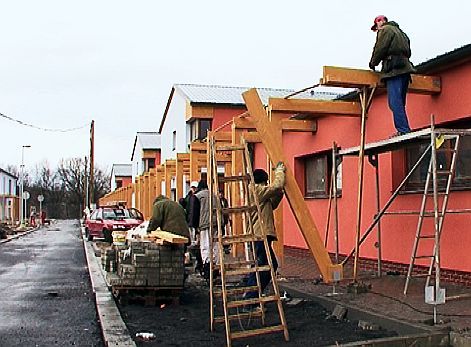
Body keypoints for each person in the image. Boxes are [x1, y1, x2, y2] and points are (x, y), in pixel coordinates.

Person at [243, 162, 285, 303]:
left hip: (260, 234)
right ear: (262, 181)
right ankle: (251, 298)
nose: (267, 184)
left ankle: (252, 294)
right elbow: (277, 185)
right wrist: (279, 172)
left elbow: (271, 205)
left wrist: (279, 194)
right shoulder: (255, 189)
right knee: (265, 265)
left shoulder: (259, 194)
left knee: (266, 265)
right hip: (259, 234)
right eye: (266, 182)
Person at [369, 15, 416, 136]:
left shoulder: (385, 30)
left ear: (382, 22)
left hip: (393, 69)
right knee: (400, 102)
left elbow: (380, 48)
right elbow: (409, 51)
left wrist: (373, 63)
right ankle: (404, 128)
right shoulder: (402, 33)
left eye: (378, 23)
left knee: (394, 102)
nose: (378, 27)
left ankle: (403, 130)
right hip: (405, 68)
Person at [195, 180, 219, 279]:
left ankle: (207, 267)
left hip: (204, 224)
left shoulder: (198, 196)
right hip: (216, 223)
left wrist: (195, 226)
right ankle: (216, 266)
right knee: (215, 245)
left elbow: (194, 212)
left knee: (205, 245)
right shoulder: (214, 195)